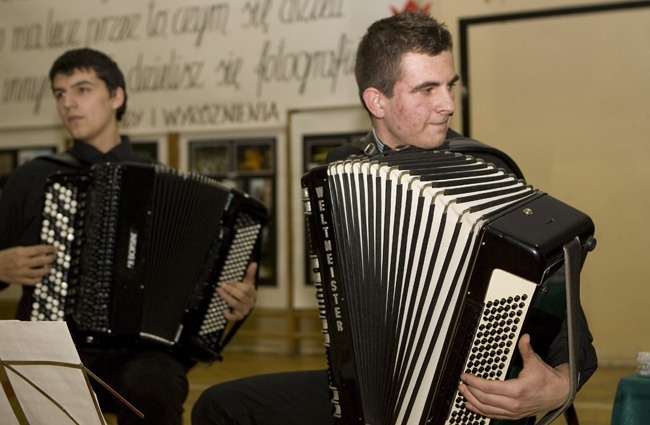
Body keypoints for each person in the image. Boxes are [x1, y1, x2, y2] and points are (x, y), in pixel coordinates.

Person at [191, 10, 597, 425]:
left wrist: (563, 380)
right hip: (376, 388)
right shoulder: (340, 172)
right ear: (376, 100)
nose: (448, 104)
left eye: (449, 85)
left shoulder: (486, 173)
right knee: (222, 407)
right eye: (427, 89)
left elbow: (560, 294)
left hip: (472, 392)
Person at [0, 48, 258, 425]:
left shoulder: (157, 180)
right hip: (52, 346)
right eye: (59, 93)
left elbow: (195, 297)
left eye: (82, 89)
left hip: (138, 354)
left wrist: (232, 303)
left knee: (156, 385)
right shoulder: (32, 177)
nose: (68, 103)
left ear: (117, 96)